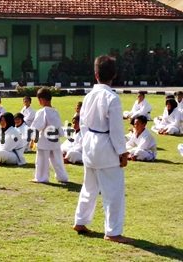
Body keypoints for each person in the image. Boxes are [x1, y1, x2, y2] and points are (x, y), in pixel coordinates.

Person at [73, 55, 131, 243]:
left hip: (90, 143)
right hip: (106, 146)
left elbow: (82, 124)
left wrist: (84, 144)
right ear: (114, 75)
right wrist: (122, 152)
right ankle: (113, 232)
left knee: (89, 187)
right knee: (113, 192)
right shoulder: (112, 98)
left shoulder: (88, 96)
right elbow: (116, 129)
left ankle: (80, 221)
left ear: (95, 74)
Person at [30, 87, 69, 183]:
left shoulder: (42, 112)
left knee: (42, 161)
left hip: (44, 141)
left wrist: (32, 139)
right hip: (55, 141)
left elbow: (36, 127)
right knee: (58, 161)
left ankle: (41, 178)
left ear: (41, 99)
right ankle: (62, 177)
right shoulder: (55, 111)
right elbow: (59, 126)